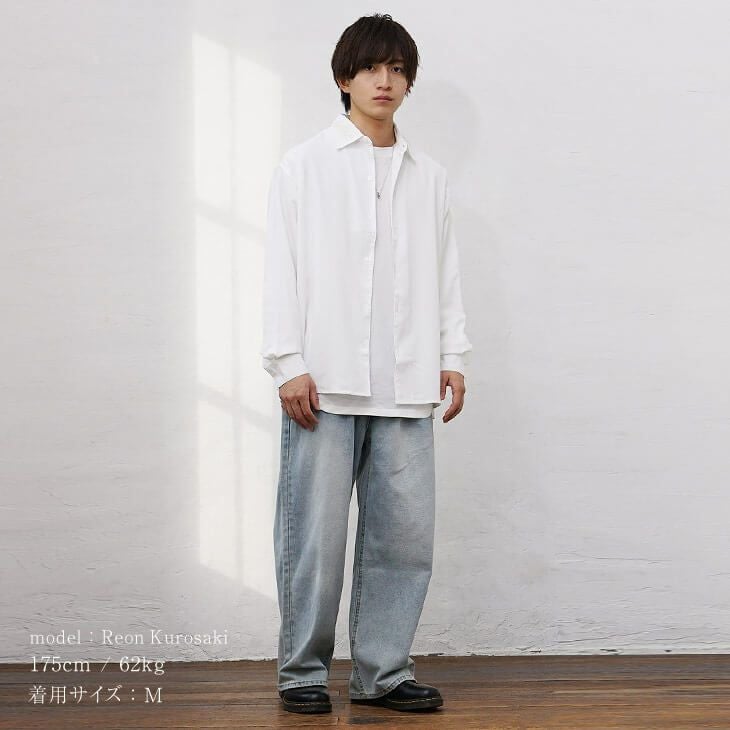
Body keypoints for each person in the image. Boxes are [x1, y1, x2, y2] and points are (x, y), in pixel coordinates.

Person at [261, 13, 472, 715]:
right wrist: (287, 361)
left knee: (403, 542)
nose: (385, 81)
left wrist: (452, 354)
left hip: (407, 384)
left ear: (409, 81)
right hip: (324, 383)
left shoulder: (428, 175)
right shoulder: (304, 165)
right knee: (313, 540)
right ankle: (302, 673)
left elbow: (445, 271)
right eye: (371, 67)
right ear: (344, 77)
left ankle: (382, 673)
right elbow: (280, 269)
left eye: (398, 69)